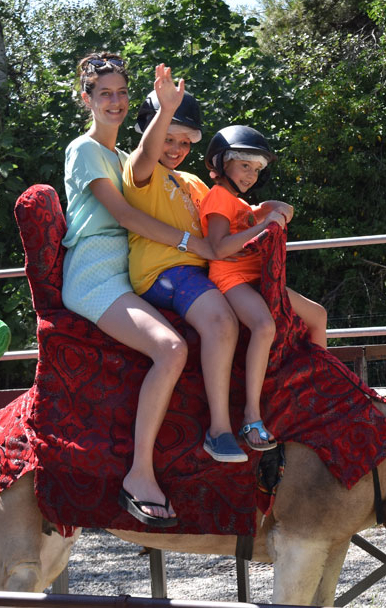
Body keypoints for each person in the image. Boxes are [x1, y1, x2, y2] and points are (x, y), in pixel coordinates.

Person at [62, 54, 217, 528]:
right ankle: (140, 475)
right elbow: (126, 218)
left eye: (122, 93)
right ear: (86, 99)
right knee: (169, 349)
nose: (115, 101)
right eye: (104, 93)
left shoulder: (119, 157)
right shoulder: (85, 149)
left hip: (130, 272)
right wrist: (194, 243)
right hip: (96, 273)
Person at [121, 82, 284, 461]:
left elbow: (232, 213)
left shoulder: (194, 181)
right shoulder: (140, 171)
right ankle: (219, 430)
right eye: (169, 139)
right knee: (222, 321)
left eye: (185, 143)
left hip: (204, 272)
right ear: (151, 132)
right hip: (166, 271)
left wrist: (268, 210)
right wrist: (164, 112)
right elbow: (147, 153)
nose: (177, 150)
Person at [200, 125, 329, 452]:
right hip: (232, 278)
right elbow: (217, 249)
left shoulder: (239, 203)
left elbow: (281, 210)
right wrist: (262, 225)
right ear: (222, 162)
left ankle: (319, 389)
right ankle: (251, 416)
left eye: (257, 170)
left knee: (317, 315)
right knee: (263, 325)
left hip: (258, 277)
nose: (251, 175)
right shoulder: (218, 197)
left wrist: (273, 213)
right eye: (245, 166)